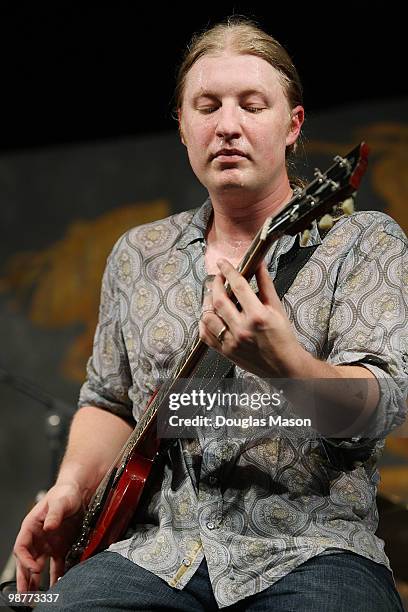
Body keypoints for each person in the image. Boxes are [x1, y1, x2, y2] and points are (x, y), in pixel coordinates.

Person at [13, 16, 407, 612]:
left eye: (252, 105)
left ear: (292, 125)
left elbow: (384, 405)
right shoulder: (137, 255)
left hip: (313, 550)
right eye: (207, 106)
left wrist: (287, 367)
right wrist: (70, 489)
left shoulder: (362, 243)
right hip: (153, 554)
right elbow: (110, 401)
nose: (228, 126)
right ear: (182, 126)